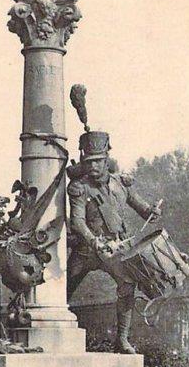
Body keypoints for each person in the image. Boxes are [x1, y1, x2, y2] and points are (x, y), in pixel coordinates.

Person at [67, 131, 162, 354]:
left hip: (115, 249)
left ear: (106, 159)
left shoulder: (121, 183)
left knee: (127, 285)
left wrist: (152, 211)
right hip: (86, 251)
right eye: (89, 162)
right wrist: (93, 241)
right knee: (62, 290)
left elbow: (141, 207)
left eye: (98, 161)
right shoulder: (79, 188)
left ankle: (121, 340)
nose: (94, 167)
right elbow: (77, 222)